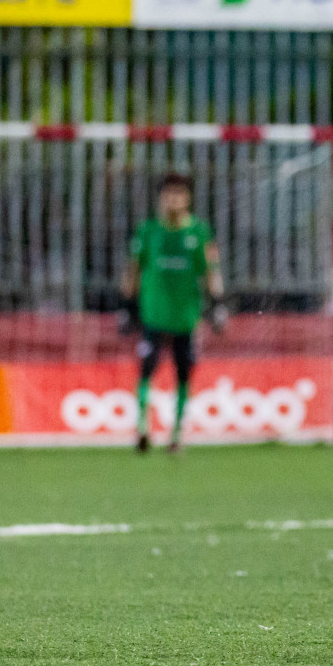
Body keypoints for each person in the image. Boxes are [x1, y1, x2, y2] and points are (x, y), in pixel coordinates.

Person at [120, 173, 226, 456]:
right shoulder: (148, 231)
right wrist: (127, 305)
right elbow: (133, 269)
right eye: (169, 194)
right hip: (153, 316)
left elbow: (211, 271)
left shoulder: (199, 233)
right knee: (146, 371)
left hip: (186, 318)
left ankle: (177, 435)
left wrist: (217, 303)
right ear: (160, 198)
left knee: (183, 375)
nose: (173, 200)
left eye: (179, 194)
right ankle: (142, 429)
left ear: (188, 198)